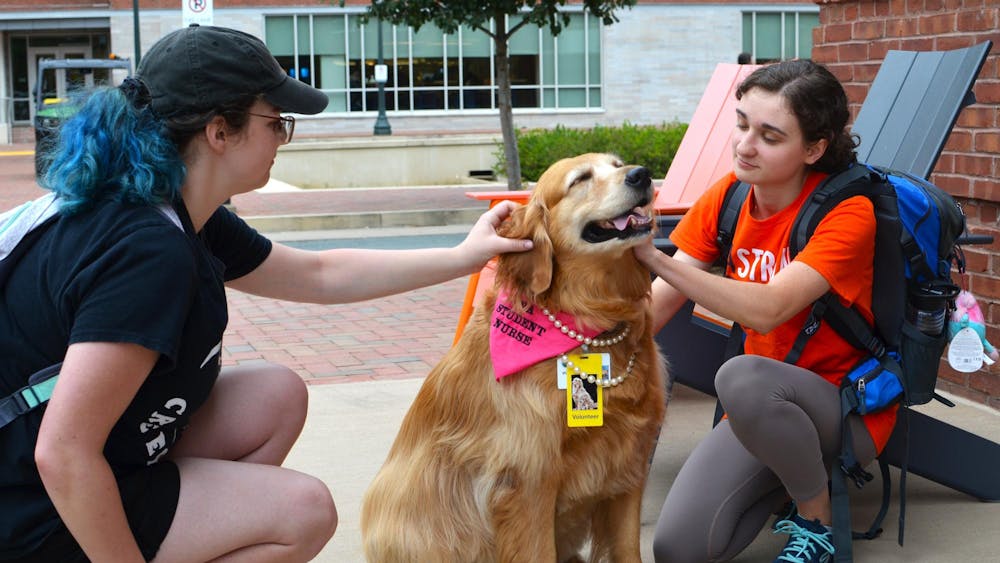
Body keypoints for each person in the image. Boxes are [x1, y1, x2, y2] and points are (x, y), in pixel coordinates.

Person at [0, 24, 531, 563]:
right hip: (36, 508)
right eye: (276, 121)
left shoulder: (178, 210)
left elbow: (320, 274)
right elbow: (63, 453)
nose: (282, 136)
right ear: (219, 132)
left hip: (97, 458)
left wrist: (466, 255)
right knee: (303, 511)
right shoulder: (148, 251)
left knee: (275, 395)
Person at [635, 59, 896, 562]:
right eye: (741, 124)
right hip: (758, 415)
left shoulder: (847, 212)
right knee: (677, 549)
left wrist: (650, 256)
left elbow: (769, 310)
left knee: (742, 376)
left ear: (814, 149)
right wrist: (575, 351)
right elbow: (656, 307)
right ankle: (787, 473)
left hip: (842, 410)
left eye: (770, 136)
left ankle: (816, 519)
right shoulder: (730, 197)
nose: (744, 145)